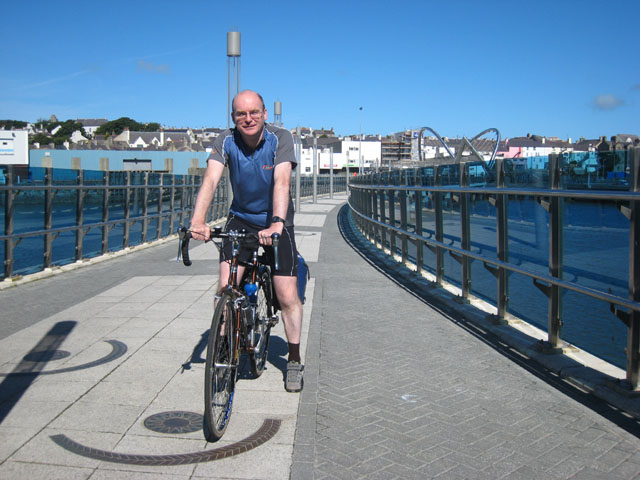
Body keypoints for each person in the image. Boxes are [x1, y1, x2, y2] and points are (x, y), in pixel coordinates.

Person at [189, 89, 304, 392]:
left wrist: (277, 224)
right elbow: (211, 179)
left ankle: (293, 359)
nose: (248, 118)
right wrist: (197, 221)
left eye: (254, 112)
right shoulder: (225, 141)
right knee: (226, 287)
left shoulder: (281, 138)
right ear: (233, 118)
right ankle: (224, 348)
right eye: (241, 114)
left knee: (286, 294)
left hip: (275, 220)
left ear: (265, 114)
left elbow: (281, 181)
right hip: (240, 219)